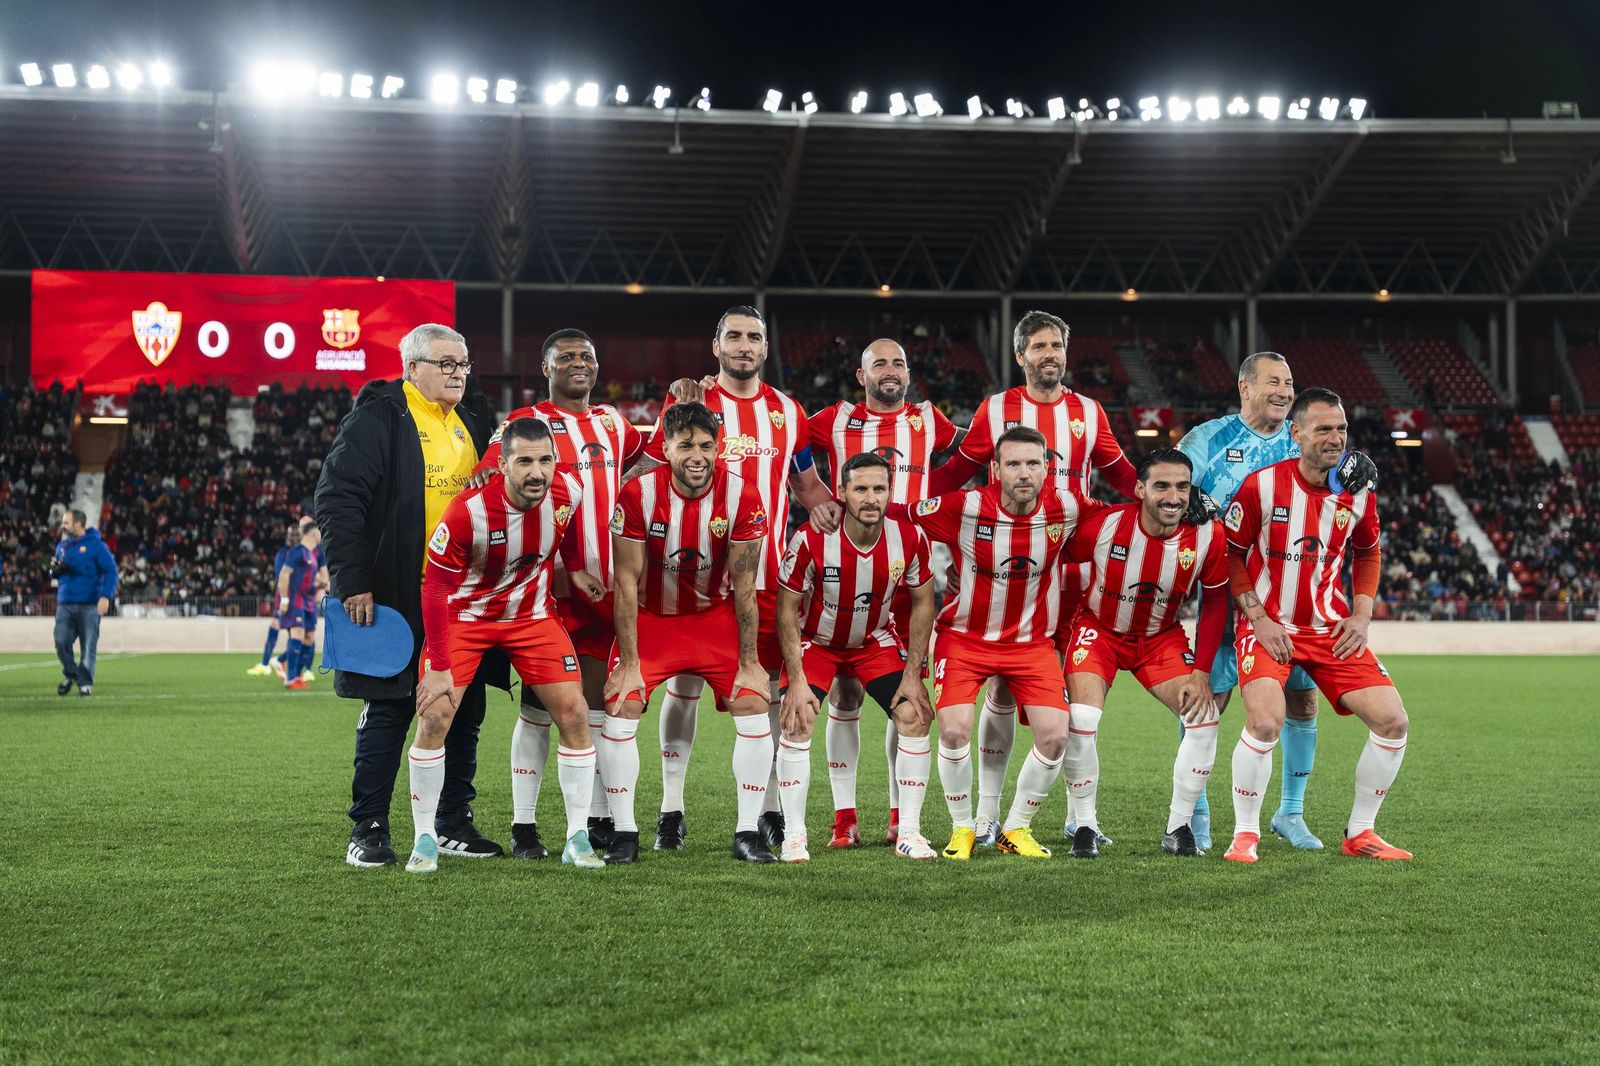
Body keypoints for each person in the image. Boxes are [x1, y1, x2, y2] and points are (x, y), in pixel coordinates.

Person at [927, 311, 1137, 847]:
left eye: (1057, 346)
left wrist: (1170, 500)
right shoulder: (995, 409)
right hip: (1007, 575)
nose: (1050, 355)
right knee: (999, 687)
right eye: (1039, 346)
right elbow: (952, 474)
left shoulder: (1089, 412)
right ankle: (991, 817)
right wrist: (903, 501)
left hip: (1072, 578)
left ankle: (1080, 816)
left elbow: (1124, 479)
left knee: (1076, 703)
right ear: (1020, 355)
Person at [635, 306, 841, 854]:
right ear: (716, 345)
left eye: (754, 337)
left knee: (765, 694)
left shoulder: (788, 412)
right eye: (734, 336)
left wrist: (846, 512)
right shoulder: (691, 406)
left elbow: (807, 486)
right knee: (684, 688)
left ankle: (768, 811)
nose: (744, 345)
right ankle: (670, 811)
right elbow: (652, 474)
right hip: (692, 576)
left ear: (767, 348)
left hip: (767, 576)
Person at [315, 323, 504, 867]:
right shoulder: (380, 415)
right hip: (394, 595)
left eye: (463, 364)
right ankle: (369, 827)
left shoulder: (475, 420)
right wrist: (352, 582)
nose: (457, 373)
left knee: (463, 710)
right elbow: (337, 498)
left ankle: (451, 822)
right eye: (446, 363)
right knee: (389, 709)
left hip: (465, 598)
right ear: (411, 367)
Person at [472, 329, 645, 860]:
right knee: (537, 708)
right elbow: (484, 492)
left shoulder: (614, 423)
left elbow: (655, 455)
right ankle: (524, 826)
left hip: (606, 591)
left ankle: (592, 819)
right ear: (545, 369)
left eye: (586, 357)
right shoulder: (524, 429)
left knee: (592, 707)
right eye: (565, 357)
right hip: (545, 594)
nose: (578, 364)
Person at [1221, 388, 1412, 863]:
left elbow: (1368, 552)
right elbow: (1232, 554)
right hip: (1269, 627)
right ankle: (1245, 834)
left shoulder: (1357, 492)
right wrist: (1259, 619)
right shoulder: (1260, 485)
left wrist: (1363, 614)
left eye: (1341, 429)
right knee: (1265, 721)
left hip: (1331, 629)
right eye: (1324, 428)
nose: (1334, 438)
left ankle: (1361, 832)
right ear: (1297, 432)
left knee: (1393, 722)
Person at [899, 426, 1105, 860]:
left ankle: (1015, 827)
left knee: (1054, 736)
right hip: (966, 638)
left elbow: (1118, 518)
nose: (1024, 473)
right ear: (995, 469)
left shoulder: (1067, 507)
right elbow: (902, 515)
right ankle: (962, 829)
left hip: (1032, 645)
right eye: (1013, 463)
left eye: (1033, 463)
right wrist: (832, 508)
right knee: (953, 730)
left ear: (1048, 469)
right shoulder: (966, 506)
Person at [409, 418, 604, 872]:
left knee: (574, 712)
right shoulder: (466, 511)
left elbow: (568, 529)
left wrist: (574, 567)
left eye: (545, 460)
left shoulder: (567, 491)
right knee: (436, 714)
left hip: (531, 616)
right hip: (465, 617)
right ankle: (424, 839)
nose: (537, 472)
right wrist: (438, 666)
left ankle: (577, 839)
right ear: (502, 465)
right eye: (525, 462)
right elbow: (435, 590)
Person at [599, 401, 776, 864]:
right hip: (651, 617)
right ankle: (626, 833)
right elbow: (626, 585)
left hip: (712, 618)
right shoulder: (636, 495)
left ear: (718, 448)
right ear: (666, 448)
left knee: (754, 702)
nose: (696, 455)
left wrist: (750, 661)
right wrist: (631, 664)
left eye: (705, 445)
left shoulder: (744, 495)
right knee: (621, 706)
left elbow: (744, 587)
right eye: (685, 445)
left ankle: (747, 833)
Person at [807, 339, 961, 847]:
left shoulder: (927, 419)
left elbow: (970, 450)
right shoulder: (834, 419)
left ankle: (900, 816)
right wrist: (818, 498)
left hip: (909, 567)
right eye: (880, 363)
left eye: (898, 362)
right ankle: (845, 818)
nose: (890, 371)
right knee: (847, 694)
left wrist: (939, 495)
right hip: (849, 563)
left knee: (907, 691)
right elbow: (786, 445)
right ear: (861, 373)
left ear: (909, 372)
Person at [1054, 449, 1228, 858]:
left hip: (1159, 638)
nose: (1173, 496)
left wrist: (1202, 672)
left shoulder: (1208, 534)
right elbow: (1052, 556)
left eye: (1182, 487)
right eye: (1162, 486)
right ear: (1139, 489)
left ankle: (1179, 826)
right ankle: (1084, 824)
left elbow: (1217, 602)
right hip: (1099, 631)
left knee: (1205, 719)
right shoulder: (1107, 524)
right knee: (1082, 718)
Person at [1176, 351, 1318, 851]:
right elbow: (1166, 489)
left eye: (1290, 381)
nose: (1284, 390)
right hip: (1222, 597)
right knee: (1204, 702)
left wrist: (1355, 470)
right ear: (1244, 386)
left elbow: (1337, 496)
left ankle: (1291, 812)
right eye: (1273, 381)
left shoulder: (1303, 439)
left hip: (1286, 606)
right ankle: (1194, 814)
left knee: (1300, 700)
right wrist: (1186, 504)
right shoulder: (1207, 440)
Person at [773, 452, 938, 862]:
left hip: (874, 642)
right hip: (819, 642)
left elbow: (923, 604)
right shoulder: (810, 539)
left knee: (914, 714)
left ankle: (909, 832)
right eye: (860, 489)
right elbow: (785, 610)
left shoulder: (909, 537)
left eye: (879, 489)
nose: (870, 498)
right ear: (842, 492)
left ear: (890, 493)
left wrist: (913, 674)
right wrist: (795, 680)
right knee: (798, 717)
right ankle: (796, 834)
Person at [51, 508, 117, 698]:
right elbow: (55, 574)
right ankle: (71, 673)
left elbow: (111, 571)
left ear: (78, 524)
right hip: (65, 603)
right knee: (61, 641)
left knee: (88, 645)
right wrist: (53, 570)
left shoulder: (96, 546)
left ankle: (85, 683)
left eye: (66, 522)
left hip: (89, 604)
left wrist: (105, 595)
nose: (63, 526)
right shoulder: (62, 546)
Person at [276, 517, 322, 691]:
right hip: (296, 602)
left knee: (308, 638)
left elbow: (307, 580)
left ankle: (298, 675)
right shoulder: (298, 552)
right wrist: (285, 599)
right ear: (314, 534)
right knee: (297, 635)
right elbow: (284, 574)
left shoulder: (311, 555)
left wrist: (320, 584)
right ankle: (291, 678)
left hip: (308, 602)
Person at [247, 524, 296, 677]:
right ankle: (267, 663)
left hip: (297, 600)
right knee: (277, 628)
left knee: (298, 636)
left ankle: (280, 662)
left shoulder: (304, 553)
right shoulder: (284, 553)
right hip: (285, 598)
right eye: (291, 534)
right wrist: (284, 598)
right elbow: (280, 575)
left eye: (296, 534)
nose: (293, 537)